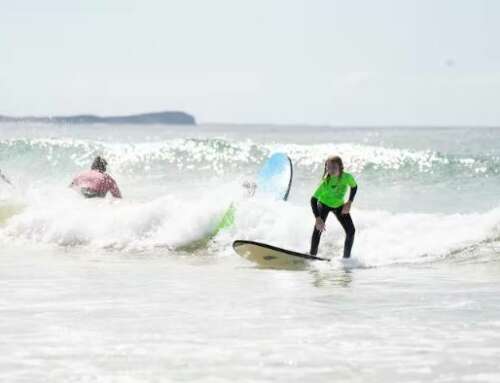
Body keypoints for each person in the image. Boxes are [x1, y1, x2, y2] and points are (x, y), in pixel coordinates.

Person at [310, 155, 357, 258]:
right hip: (324, 204)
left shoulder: (347, 177)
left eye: (334, 167)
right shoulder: (325, 182)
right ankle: (312, 256)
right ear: (326, 167)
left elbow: (354, 186)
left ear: (340, 167)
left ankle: (346, 259)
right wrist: (318, 218)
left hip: (339, 205)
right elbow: (313, 200)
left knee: (351, 231)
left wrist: (349, 202)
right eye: (328, 167)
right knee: (318, 229)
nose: (331, 170)